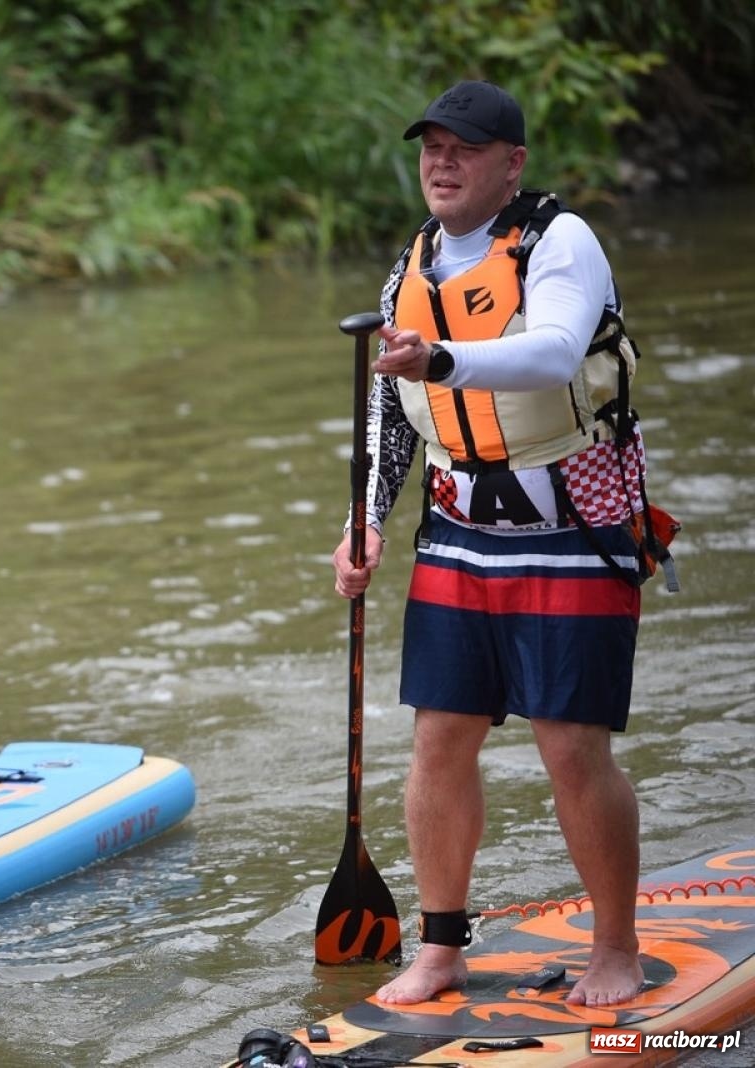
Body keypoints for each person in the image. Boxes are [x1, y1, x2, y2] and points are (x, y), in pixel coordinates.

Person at [331, 80, 654, 1007]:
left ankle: (617, 946)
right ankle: (440, 947)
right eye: (431, 145)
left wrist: (438, 357)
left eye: (464, 148)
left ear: (510, 163)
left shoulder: (561, 242)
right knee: (439, 740)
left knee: (568, 746)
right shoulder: (413, 265)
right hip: (460, 534)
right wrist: (361, 518)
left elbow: (554, 353)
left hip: (574, 527)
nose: (442, 162)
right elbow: (395, 415)